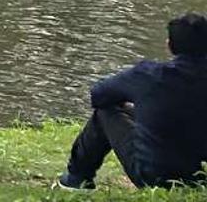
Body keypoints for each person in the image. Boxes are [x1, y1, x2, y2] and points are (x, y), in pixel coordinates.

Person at [58, 13, 207, 189]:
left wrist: (133, 99)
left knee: (106, 111)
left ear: (169, 46)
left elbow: (98, 94)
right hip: (200, 176)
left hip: (153, 176)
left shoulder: (148, 75)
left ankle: (77, 179)